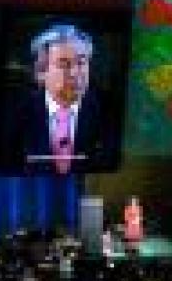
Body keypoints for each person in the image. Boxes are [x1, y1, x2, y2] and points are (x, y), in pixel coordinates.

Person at [7, 23, 117, 175]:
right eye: (64, 64)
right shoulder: (14, 112)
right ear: (41, 72)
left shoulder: (109, 112)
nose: (74, 73)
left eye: (81, 62)